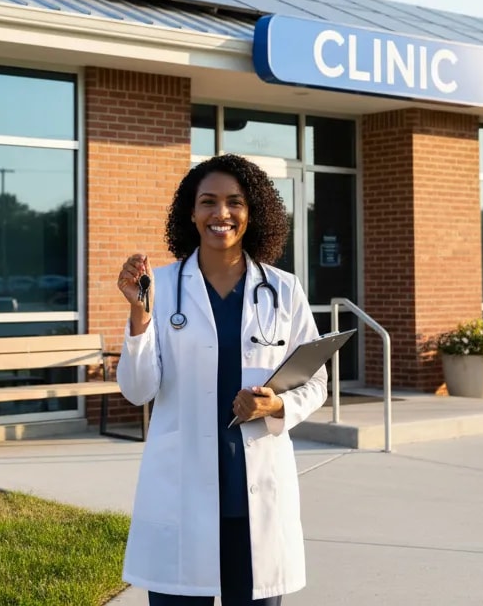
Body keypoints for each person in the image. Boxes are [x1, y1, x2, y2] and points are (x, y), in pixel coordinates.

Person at [115, 153, 328, 605]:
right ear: (191, 213)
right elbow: (137, 390)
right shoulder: (160, 285)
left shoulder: (284, 289)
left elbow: (315, 381)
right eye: (208, 202)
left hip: (253, 497)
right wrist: (139, 314)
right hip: (182, 493)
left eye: (234, 202)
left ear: (253, 213)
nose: (221, 214)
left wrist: (277, 406)